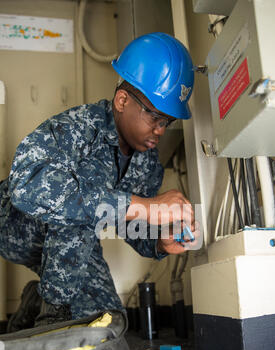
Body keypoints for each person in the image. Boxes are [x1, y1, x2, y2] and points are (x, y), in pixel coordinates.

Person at [0, 32, 197, 332]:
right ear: (122, 100)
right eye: (155, 117)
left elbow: (129, 222)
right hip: (13, 223)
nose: (160, 130)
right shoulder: (79, 128)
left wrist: (159, 239)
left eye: (167, 121)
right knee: (81, 206)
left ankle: (33, 304)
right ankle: (53, 316)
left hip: (68, 245)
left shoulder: (146, 161)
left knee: (108, 326)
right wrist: (143, 206)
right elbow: (26, 186)